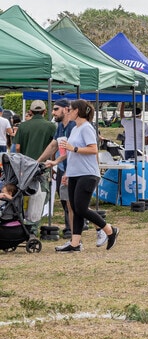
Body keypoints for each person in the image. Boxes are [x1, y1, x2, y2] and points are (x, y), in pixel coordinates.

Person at [43, 100, 118, 252]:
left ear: (77, 111)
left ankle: (109, 230)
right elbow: (69, 153)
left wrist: (74, 148)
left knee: (81, 208)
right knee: (76, 208)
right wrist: (61, 167)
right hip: (75, 173)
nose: (68, 112)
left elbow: (93, 150)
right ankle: (75, 243)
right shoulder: (76, 129)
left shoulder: (86, 128)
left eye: (70, 110)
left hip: (87, 173)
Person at [37, 99, 74, 238]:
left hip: (73, 169)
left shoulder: (73, 126)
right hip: (63, 167)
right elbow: (53, 145)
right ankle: (72, 229)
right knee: (67, 201)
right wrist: (38, 161)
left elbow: (72, 151)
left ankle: (73, 231)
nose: (53, 112)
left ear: (66, 109)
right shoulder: (60, 127)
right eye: (53, 109)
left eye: (56, 109)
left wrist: (58, 163)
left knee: (73, 204)